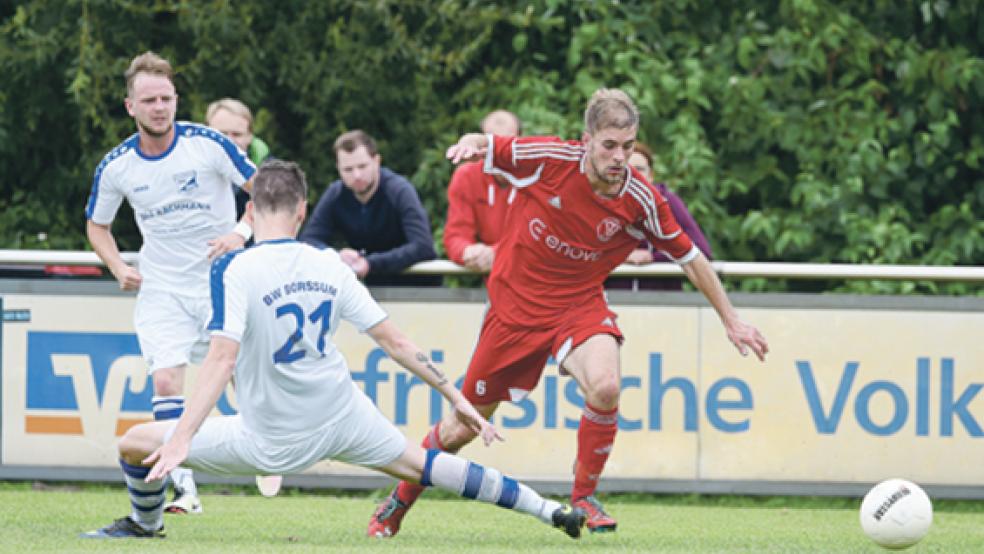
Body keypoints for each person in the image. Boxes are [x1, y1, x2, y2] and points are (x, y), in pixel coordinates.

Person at [80, 160, 587, 541]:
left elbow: (221, 360)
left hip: (268, 438)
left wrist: (180, 439)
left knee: (135, 443)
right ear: (303, 210)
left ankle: (145, 528)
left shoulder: (238, 269)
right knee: (427, 465)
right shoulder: (330, 266)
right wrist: (455, 396)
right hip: (344, 418)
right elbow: (396, 343)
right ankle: (548, 511)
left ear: (251, 212)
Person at [368, 88, 769, 536]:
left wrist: (731, 319)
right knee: (460, 428)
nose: (620, 157)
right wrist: (471, 142)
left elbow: (691, 257)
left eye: (629, 146)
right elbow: (491, 146)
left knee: (606, 383)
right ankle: (397, 503)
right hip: (515, 309)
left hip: (579, 302)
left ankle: (584, 497)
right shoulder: (551, 158)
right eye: (610, 145)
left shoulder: (641, 198)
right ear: (587, 140)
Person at [85, 51, 257, 516]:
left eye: (166, 98)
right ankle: (184, 488)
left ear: (176, 100)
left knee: (243, 376)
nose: (159, 107)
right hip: (162, 287)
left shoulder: (207, 144)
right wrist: (119, 267)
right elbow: (97, 226)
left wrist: (239, 233)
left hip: (220, 280)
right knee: (165, 379)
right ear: (131, 107)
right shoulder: (117, 166)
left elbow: (265, 190)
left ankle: (265, 448)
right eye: (149, 100)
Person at [299, 130, 437, 286]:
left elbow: (423, 246)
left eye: (362, 166)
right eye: (348, 169)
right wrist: (336, 256)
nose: (357, 175)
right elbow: (308, 242)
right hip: (370, 290)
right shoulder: (335, 194)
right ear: (338, 169)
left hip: (418, 290)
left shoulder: (399, 191)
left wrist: (370, 263)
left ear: (377, 161)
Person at [605, 141, 713, 290]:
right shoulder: (601, 204)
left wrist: (653, 258)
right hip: (610, 303)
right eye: (626, 170)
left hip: (663, 303)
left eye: (639, 170)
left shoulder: (668, 202)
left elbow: (702, 251)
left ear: (651, 175)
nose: (633, 176)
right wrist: (622, 256)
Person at [443, 110, 521, 273]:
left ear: (520, 140)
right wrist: (467, 252)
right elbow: (456, 234)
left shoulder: (537, 175)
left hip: (537, 278)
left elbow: (537, 239)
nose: (499, 150)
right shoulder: (466, 176)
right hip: (492, 278)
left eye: (506, 141)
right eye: (491, 142)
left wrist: (496, 253)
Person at [205, 98, 273, 222]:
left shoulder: (270, 175)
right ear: (206, 133)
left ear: (250, 136)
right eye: (222, 134)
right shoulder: (188, 167)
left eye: (237, 134)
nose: (229, 141)